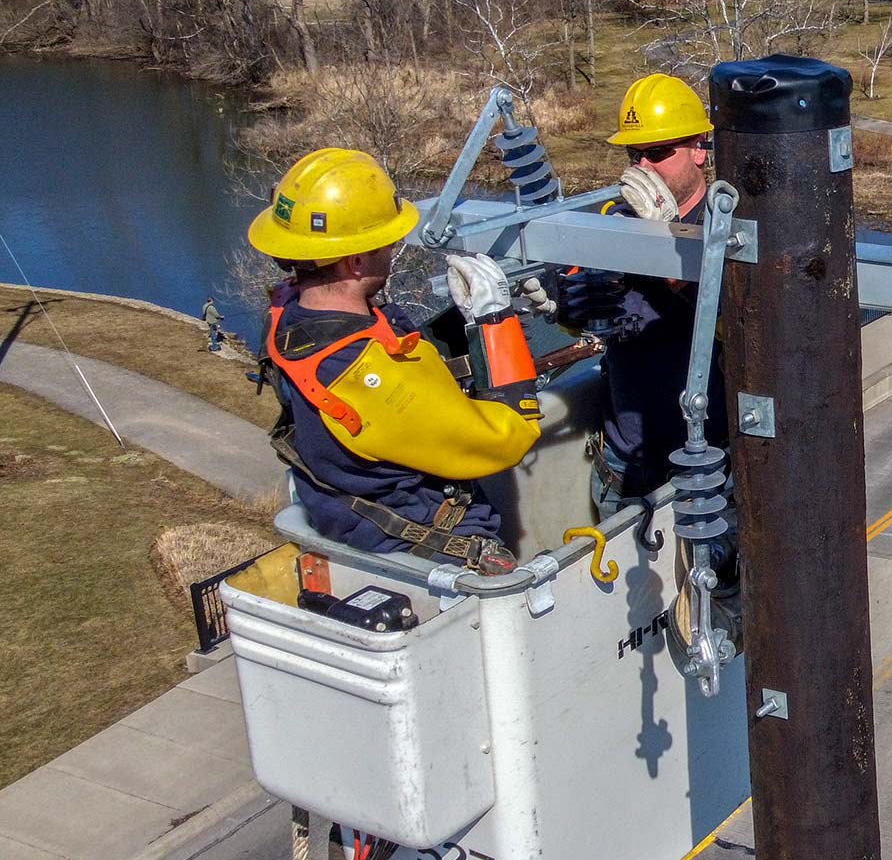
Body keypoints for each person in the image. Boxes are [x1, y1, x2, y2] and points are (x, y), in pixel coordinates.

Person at [247, 147, 543, 571]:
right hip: (430, 553)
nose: (392, 246)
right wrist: (497, 323)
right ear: (354, 260)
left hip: (358, 525)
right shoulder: (362, 374)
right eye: (384, 241)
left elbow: (408, 357)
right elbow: (512, 435)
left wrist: (470, 325)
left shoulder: (291, 316)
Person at [568, 73, 725, 520]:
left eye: (657, 153)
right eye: (635, 155)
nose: (643, 168)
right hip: (627, 463)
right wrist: (557, 296)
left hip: (706, 461)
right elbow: (578, 309)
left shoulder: (727, 225)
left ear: (700, 148)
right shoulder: (614, 219)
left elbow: (744, 325)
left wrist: (667, 242)